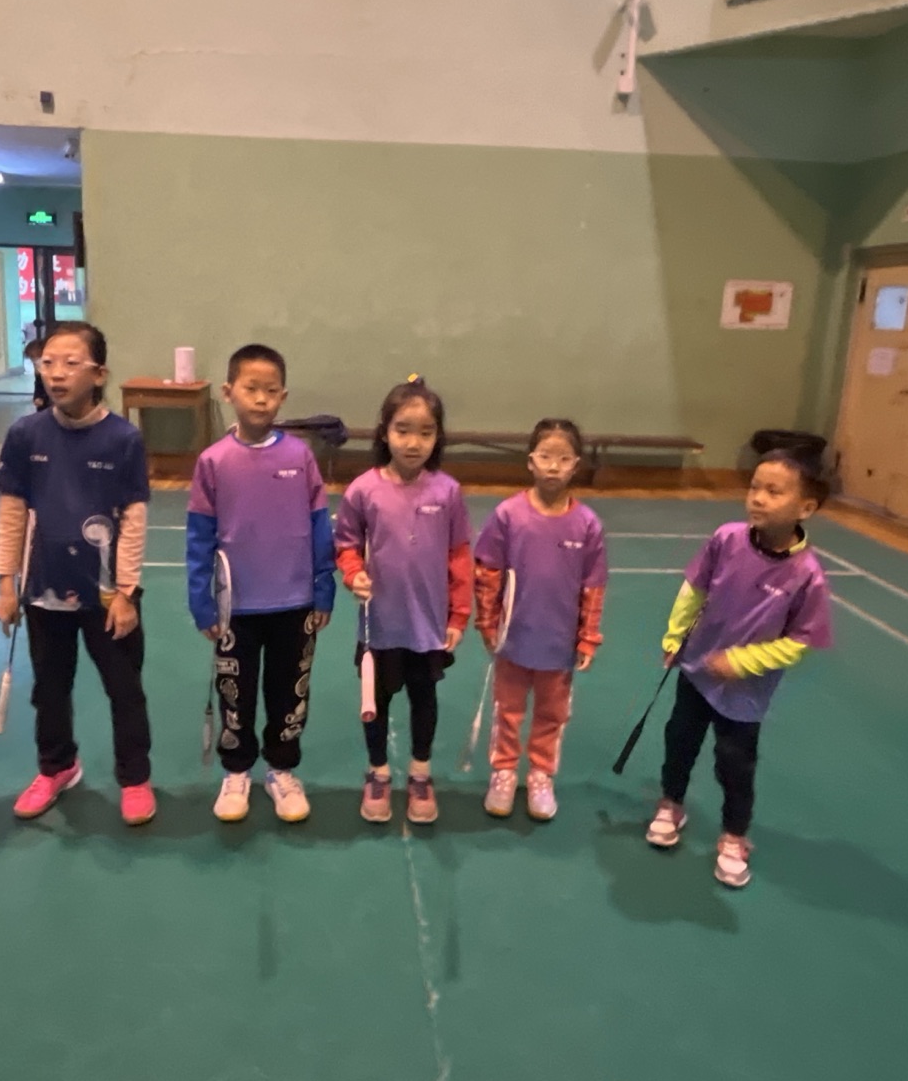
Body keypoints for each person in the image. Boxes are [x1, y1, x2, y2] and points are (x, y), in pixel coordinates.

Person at [645, 449, 834, 889]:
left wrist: (743, 661)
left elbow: (799, 642)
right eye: (754, 487)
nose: (758, 498)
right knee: (679, 741)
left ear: (806, 507)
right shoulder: (726, 539)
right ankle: (671, 803)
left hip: (746, 693)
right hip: (697, 671)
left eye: (774, 491)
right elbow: (694, 589)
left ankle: (734, 836)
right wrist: (674, 638)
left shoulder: (807, 575)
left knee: (735, 764)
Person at [0, 320, 155, 824]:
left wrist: (125, 592)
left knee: (124, 690)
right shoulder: (25, 434)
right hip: (44, 590)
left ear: (98, 373)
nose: (57, 373)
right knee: (49, 690)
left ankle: (135, 778)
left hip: (107, 596)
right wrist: (6, 584)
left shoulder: (123, 438)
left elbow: (133, 519)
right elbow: (12, 512)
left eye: (70, 363)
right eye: (48, 363)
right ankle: (58, 766)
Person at [186, 344, 335, 823]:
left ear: (283, 396)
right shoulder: (213, 461)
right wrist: (202, 601)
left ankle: (282, 770)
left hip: (295, 603)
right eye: (251, 388)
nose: (261, 399)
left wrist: (324, 587)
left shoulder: (300, 457)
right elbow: (199, 537)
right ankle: (236, 772)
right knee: (237, 693)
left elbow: (320, 526)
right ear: (229, 391)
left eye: (271, 391)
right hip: (236, 607)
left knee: (290, 694)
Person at [335, 377, 472, 824]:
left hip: (427, 625)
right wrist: (353, 573)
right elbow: (346, 544)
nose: (414, 443)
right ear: (384, 432)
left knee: (424, 699)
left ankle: (420, 773)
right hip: (379, 625)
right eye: (403, 430)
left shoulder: (448, 492)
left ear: (438, 437)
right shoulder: (363, 490)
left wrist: (459, 614)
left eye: (426, 432)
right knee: (375, 702)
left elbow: (459, 556)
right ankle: (377, 772)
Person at [473, 418, 607, 821]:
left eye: (563, 459)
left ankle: (541, 775)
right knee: (508, 710)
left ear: (576, 465)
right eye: (545, 456)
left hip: (558, 644)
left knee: (552, 715)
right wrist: (487, 622)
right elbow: (488, 572)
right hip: (513, 640)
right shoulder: (508, 515)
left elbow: (593, 586)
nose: (553, 466)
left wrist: (588, 636)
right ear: (530, 461)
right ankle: (503, 771)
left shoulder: (587, 525)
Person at [23, 338, 48, 411]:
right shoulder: (37, 368)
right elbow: (38, 384)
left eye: (35, 356)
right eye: (31, 358)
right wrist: (37, 397)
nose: (34, 360)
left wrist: (44, 400)